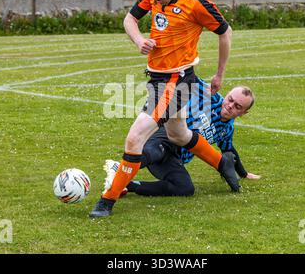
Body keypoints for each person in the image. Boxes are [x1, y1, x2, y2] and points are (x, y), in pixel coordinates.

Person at [89, 0, 233, 217]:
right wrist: (138, 40)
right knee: (179, 134)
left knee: (135, 137)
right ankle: (223, 164)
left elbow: (225, 31)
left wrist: (219, 75)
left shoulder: (195, 1)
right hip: (158, 77)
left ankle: (106, 201)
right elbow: (129, 20)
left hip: (177, 81)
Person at [103, 80, 261, 197]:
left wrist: (244, 173)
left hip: (174, 157)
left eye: (238, 106)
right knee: (155, 151)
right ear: (226, 95)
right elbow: (188, 77)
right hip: (165, 135)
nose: (230, 105)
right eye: (230, 99)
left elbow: (228, 151)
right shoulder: (209, 96)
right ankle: (119, 168)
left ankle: (128, 185)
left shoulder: (227, 129)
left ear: (243, 113)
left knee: (185, 189)